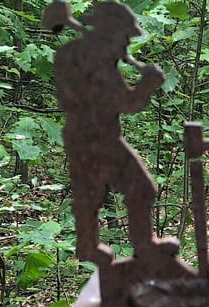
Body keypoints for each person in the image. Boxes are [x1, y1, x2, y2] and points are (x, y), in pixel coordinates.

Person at [53, 2, 174, 265]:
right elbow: (123, 104)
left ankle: (141, 245)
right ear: (109, 34)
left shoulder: (103, 63)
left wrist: (144, 86)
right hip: (88, 138)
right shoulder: (78, 60)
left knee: (139, 188)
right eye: (124, 38)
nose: (126, 45)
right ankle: (89, 245)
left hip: (105, 137)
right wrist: (146, 86)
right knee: (93, 192)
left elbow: (124, 103)